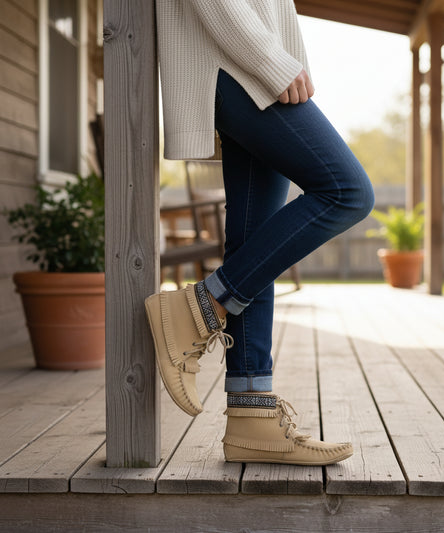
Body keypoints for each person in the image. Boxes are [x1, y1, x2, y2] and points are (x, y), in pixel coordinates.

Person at [145, 0, 374, 466]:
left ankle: (252, 419)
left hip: (249, 61)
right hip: (237, 64)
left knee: (255, 243)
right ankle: (202, 305)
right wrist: (271, 62)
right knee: (348, 192)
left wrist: (277, 58)